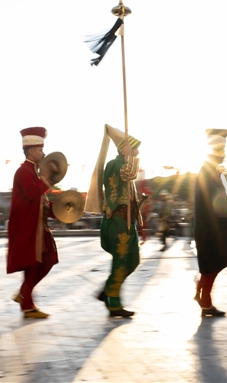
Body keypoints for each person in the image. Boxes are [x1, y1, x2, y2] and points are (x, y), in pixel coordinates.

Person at [86, 124, 143, 318]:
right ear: (124, 148)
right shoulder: (116, 164)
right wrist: (129, 156)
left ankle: (109, 289)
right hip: (118, 221)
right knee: (120, 263)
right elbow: (130, 174)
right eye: (134, 148)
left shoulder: (123, 164)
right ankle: (114, 304)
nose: (137, 152)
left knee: (133, 261)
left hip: (128, 221)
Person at [6, 127, 59, 318]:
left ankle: (24, 296)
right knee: (33, 264)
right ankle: (27, 304)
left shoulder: (33, 173)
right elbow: (31, 193)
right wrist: (45, 176)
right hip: (27, 228)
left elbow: (41, 200)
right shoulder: (23, 171)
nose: (43, 154)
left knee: (49, 258)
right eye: (40, 150)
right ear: (31, 151)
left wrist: (62, 209)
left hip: (37, 227)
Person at [193, 129, 227, 317]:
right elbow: (214, 202)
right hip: (210, 229)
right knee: (212, 265)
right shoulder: (208, 172)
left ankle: (201, 294)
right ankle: (204, 300)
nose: (224, 153)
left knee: (213, 265)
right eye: (222, 149)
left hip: (211, 228)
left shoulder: (211, 171)